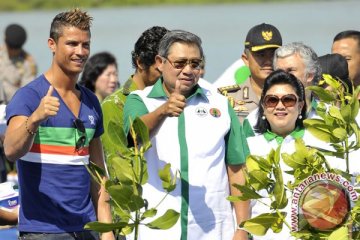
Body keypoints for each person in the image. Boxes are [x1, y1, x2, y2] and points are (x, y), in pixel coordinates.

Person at [123, 30, 249, 240]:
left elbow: (236, 169)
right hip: (158, 229)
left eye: (195, 63)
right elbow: (134, 138)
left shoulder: (219, 103)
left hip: (212, 229)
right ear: (160, 62)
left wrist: (243, 228)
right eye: (180, 63)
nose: (188, 70)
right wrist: (163, 111)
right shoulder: (139, 100)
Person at [3, 8, 114, 240]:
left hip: (87, 228)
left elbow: (98, 175)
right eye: (72, 44)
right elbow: (11, 151)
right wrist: (34, 119)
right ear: (52, 44)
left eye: (86, 45)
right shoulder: (29, 96)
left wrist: (107, 231)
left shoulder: (92, 101)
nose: (80, 52)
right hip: (43, 230)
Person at [245, 69, 309, 239]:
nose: (280, 106)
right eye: (272, 100)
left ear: (300, 106)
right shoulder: (248, 148)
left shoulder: (317, 145)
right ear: (263, 107)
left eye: (288, 100)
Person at [101, 26, 169, 157]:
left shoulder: (173, 98)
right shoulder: (113, 104)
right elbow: (117, 162)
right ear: (140, 63)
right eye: (159, 71)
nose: (166, 77)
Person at [217, 23, 282, 123]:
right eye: (261, 55)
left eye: (273, 55)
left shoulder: (293, 97)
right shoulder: (227, 98)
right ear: (246, 59)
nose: (268, 61)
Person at [0, 23, 37, 104]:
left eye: (15, 48)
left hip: (11, 107)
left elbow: (26, 94)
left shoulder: (28, 64)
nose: (12, 51)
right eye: (10, 47)